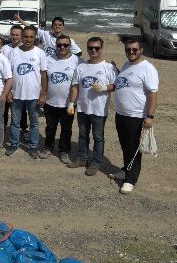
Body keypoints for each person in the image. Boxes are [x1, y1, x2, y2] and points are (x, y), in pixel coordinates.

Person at [67, 36, 119, 176]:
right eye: (90, 48)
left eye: (96, 48)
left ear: (101, 49)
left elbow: (116, 85)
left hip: (99, 109)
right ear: (87, 49)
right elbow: (75, 87)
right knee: (83, 135)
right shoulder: (81, 67)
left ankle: (96, 162)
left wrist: (103, 88)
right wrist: (71, 104)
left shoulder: (108, 67)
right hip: (83, 108)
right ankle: (82, 159)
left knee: (98, 137)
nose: (93, 50)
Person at [111, 39, 158, 194]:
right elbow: (123, 83)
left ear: (141, 50)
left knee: (133, 148)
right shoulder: (126, 65)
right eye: (128, 49)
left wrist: (149, 116)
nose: (131, 52)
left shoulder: (147, 68)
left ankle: (131, 180)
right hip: (121, 114)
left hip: (136, 116)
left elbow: (152, 93)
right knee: (125, 146)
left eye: (134, 49)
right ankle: (125, 170)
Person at [6, 26, 48, 159]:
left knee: (34, 123)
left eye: (31, 37)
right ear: (21, 37)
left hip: (34, 95)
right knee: (15, 123)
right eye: (26, 36)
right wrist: (8, 92)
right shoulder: (13, 52)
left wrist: (44, 94)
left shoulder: (40, 53)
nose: (28, 39)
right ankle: (14, 144)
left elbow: (43, 75)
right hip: (16, 94)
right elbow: (9, 75)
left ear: (35, 37)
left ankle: (33, 147)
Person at [42, 34, 81, 163]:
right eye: (59, 45)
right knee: (50, 127)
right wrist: (43, 93)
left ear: (70, 46)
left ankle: (64, 151)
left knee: (66, 128)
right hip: (50, 101)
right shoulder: (48, 59)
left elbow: (92, 67)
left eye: (65, 45)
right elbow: (44, 78)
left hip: (69, 103)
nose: (62, 47)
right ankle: (48, 147)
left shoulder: (77, 61)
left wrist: (111, 67)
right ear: (55, 46)